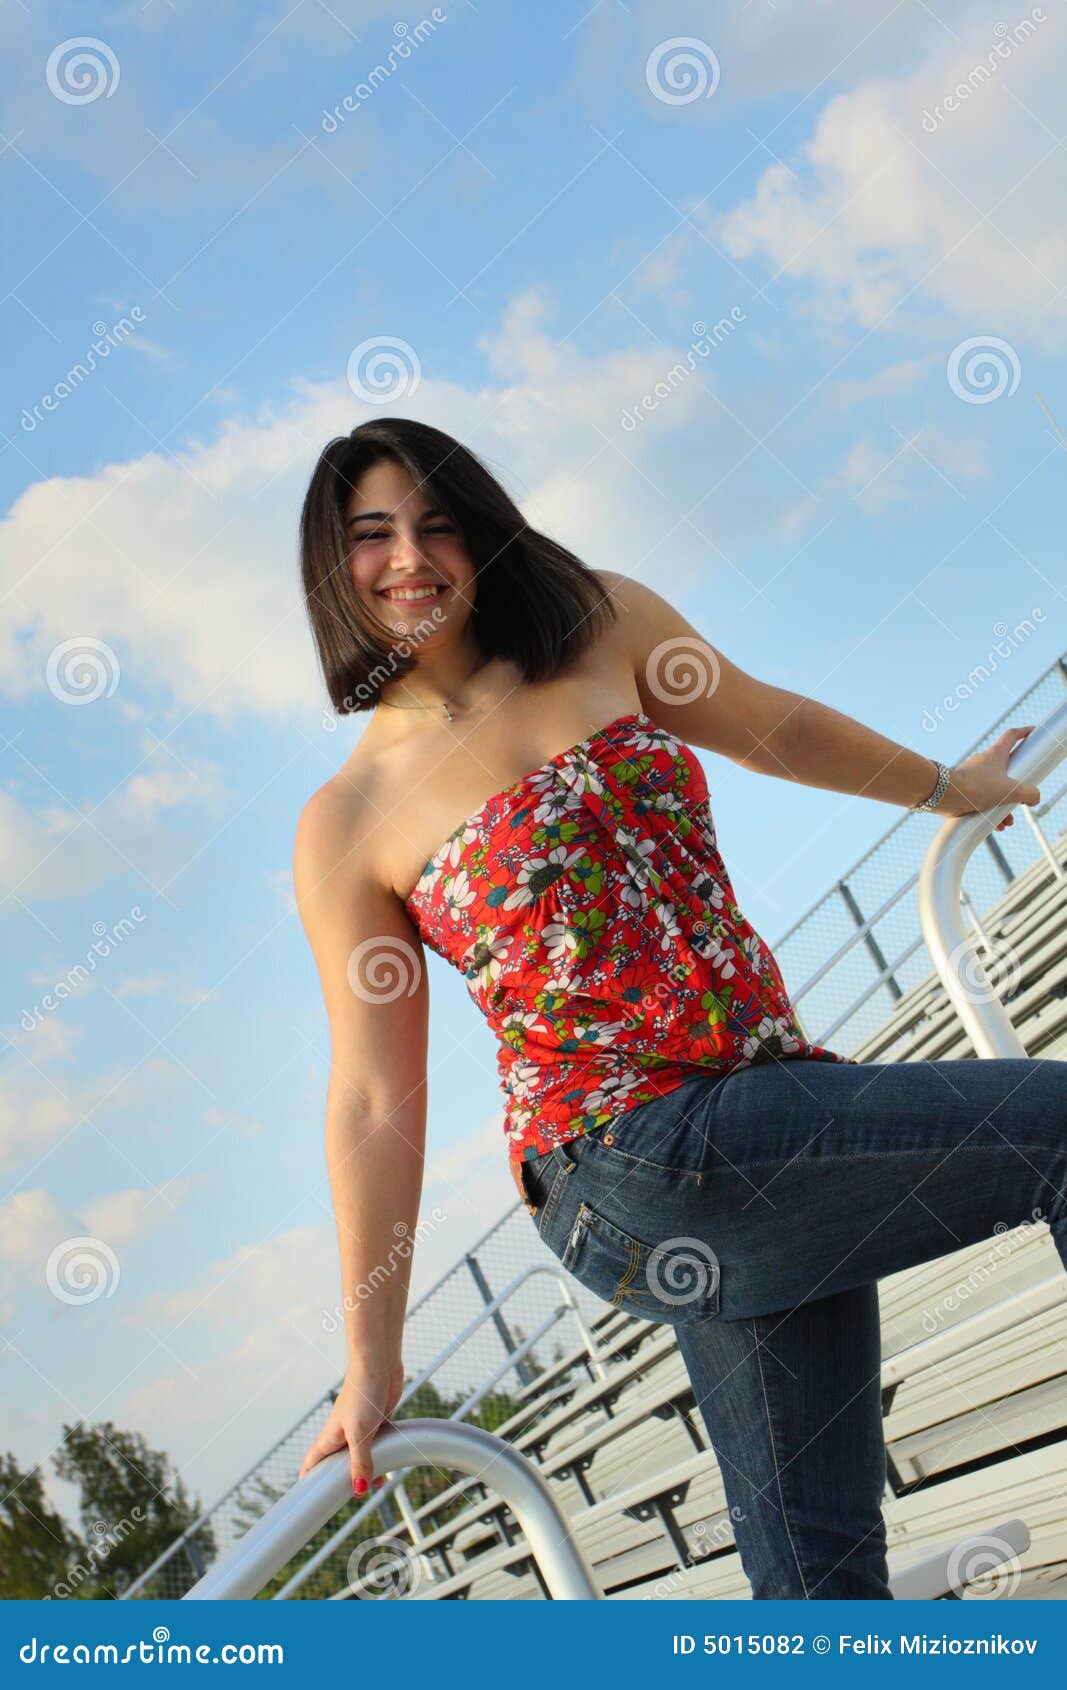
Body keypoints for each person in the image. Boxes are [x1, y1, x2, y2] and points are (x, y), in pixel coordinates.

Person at [293, 417, 1064, 1599]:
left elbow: (769, 725)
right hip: (623, 1162)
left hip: (763, 1107)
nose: (408, 556)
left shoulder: (599, 621)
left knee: (816, 1580)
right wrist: (370, 1355)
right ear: (330, 569)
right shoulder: (347, 821)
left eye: (435, 522)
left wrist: (948, 786)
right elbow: (372, 1093)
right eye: (370, 534)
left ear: (478, 530)